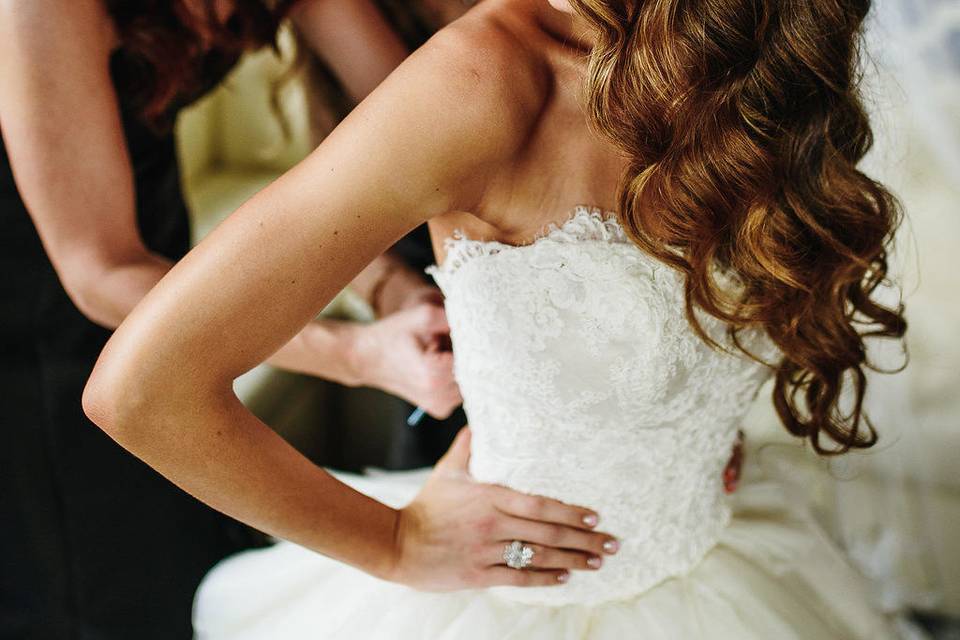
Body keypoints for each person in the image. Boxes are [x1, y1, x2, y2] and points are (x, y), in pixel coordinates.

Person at [83, 0, 907, 637]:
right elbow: (144, 390)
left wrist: (688, 442)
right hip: (508, 606)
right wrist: (394, 545)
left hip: (726, 564)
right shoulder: (482, 83)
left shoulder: (765, 60)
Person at [0, 1, 461, 637]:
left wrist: (396, 287)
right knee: (97, 582)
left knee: (188, 540)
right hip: (38, 294)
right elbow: (99, 270)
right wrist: (358, 352)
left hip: (154, 245)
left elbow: (426, 119)